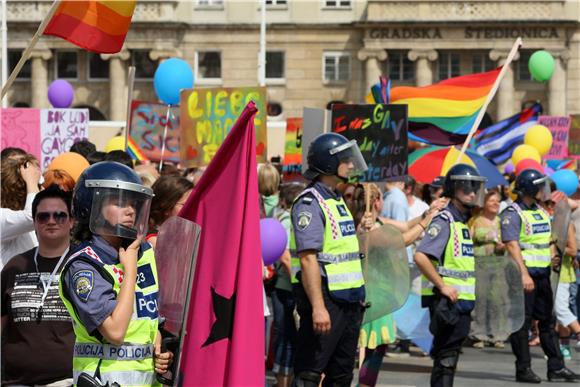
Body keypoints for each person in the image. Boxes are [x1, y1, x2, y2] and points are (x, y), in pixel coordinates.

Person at [58, 161, 172, 385]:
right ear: (93, 205)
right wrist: (130, 270)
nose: (130, 210)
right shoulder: (84, 264)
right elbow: (116, 331)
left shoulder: (143, 251)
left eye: (133, 202)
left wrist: (158, 345)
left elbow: (147, 317)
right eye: (119, 202)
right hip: (103, 379)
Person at [290, 132, 370, 386]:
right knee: (311, 374)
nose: (350, 165)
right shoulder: (310, 203)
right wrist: (318, 307)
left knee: (342, 375)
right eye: (345, 160)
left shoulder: (336, 199)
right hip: (327, 300)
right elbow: (308, 259)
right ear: (328, 164)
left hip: (349, 301)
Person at [501, 169, 578, 383]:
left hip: (543, 274)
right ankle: (523, 369)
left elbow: (548, 240)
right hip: (522, 277)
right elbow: (512, 245)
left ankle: (556, 368)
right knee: (522, 324)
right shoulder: (512, 212)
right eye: (539, 186)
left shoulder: (541, 211)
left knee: (547, 322)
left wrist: (553, 254)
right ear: (528, 188)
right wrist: (524, 273)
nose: (543, 190)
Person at [354, 183, 434, 387]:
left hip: (380, 294)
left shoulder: (377, 221)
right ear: (376, 201)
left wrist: (429, 212)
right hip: (373, 296)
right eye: (381, 197)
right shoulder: (366, 226)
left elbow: (406, 226)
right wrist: (427, 223)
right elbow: (403, 239)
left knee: (374, 349)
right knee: (370, 350)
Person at [414, 164, 486, 387]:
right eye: (466, 188)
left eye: (474, 188)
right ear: (454, 189)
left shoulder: (461, 222)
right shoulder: (445, 220)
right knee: (446, 358)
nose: (472, 193)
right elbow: (421, 256)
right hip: (447, 302)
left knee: (449, 357)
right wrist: (442, 286)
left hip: (461, 303)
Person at [2, 186, 75, 386]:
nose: (51, 221)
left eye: (60, 216)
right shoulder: (15, 266)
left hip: (68, 381)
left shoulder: (84, 264)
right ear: (34, 222)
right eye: (43, 217)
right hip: (17, 382)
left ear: (71, 221)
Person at [270, 182, 305, 387]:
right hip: (286, 288)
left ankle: (287, 380)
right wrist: (299, 282)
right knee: (286, 338)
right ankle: (283, 381)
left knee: (290, 338)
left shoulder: (287, 217)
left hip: (289, 287)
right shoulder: (288, 220)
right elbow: (284, 256)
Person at [469, 190, 506, 349]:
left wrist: (503, 246)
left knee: (498, 300)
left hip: (499, 264)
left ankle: (498, 335)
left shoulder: (502, 222)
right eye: (492, 201)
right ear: (484, 203)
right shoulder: (475, 221)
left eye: (498, 201)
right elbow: (468, 242)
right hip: (480, 264)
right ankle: (479, 335)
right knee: (480, 299)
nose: (495, 204)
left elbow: (511, 241)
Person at [1, 155, 41, 268]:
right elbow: (33, 216)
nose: (41, 189)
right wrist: (32, 182)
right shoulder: (1, 216)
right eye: (39, 184)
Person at [147, 175, 193, 247]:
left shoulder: (182, 234)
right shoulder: (155, 241)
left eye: (193, 204)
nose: (191, 209)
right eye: (185, 205)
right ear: (165, 206)